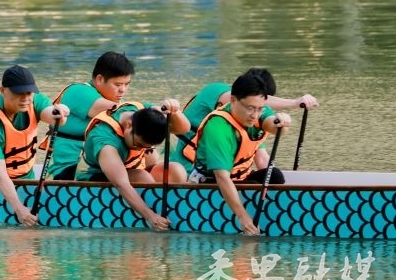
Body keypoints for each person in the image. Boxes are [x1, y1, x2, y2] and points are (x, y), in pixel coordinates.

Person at [180, 71, 292, 235]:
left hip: (240, 177)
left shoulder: (259, 110)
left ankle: (277, 218)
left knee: (274, 175)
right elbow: (222, 178)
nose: (255, 115)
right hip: (210, 183)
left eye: (260, 109)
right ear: (233, 100)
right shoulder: (218, 128)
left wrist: (282, 124)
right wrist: (243, 217)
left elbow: (274, 127)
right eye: (250, 109)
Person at [0, 65, 69, 226]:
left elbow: (52, 115)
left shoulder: (34, 101)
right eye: (18, 93)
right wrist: (19, 209)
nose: (25, 98)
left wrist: (61, 111)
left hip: (25, 180)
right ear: (2, 90)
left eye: (28, 93)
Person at [75, 99, 190, 231]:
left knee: (175, 170)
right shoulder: (104, 140)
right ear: (129, 126)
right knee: (142, 177)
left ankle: (174, 212)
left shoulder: (144, 113)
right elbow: (121, 183)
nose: (141, 149)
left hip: (131, 170)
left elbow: (183, 129)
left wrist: (174, 112)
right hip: (94, 179)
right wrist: (150, 216)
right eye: (139, 144)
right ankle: (155, 217)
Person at [172, 67, 318, 171]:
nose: (257, 112)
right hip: (186, 168)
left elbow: (262, 159)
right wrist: (294, 103)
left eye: (261, 108)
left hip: (219, 171)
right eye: (254, 105)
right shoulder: (217, 91)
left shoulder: (248, 119)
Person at [43, 51, 135, 181]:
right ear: (99, 79)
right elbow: (123, 112)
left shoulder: (118, 101)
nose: (123, 90)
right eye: (118, 85)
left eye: (127, 84)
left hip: (97, 167)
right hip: (67, 171)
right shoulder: (78, 92)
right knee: (139, 177)